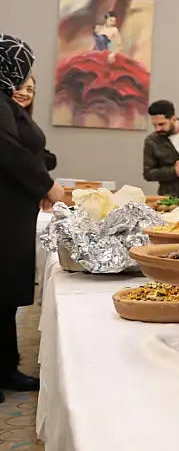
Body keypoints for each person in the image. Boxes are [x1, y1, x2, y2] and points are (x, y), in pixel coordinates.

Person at [0, 34, 66, 403]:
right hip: (4, 213)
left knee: (4, 295)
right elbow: (8, 150)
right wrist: (47, 184)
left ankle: (6, 366)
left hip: (12, 211)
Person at [142, 100, 179, 200]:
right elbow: (148, 173)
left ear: (173, 119)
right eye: (154, 125)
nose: (157, 129)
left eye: (161, 124)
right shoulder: (152, 141)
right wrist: (174, 171)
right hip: (171, 199)